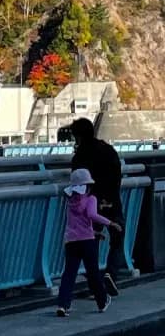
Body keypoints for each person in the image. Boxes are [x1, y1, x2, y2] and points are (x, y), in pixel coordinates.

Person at [69, 117, 124, 296]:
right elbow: (117, 174)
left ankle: (96, 284)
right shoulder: (108, 150)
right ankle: (111, 274)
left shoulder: (80, 157)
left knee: (91, 241)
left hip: (90, 204)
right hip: (112, 199)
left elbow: (77, 183)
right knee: (117, 237)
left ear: (78, 137)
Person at [57, 168, 121, 316]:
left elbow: (77, 224)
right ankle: (102, 301)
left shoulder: (70, 201)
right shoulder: (91, 199)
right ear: (87, 185)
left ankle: (63, 305)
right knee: (93, 273)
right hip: (87, 241)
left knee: (69, 274)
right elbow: (92, 215)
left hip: (71, 241)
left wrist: (96, 233)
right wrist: (110, 223)